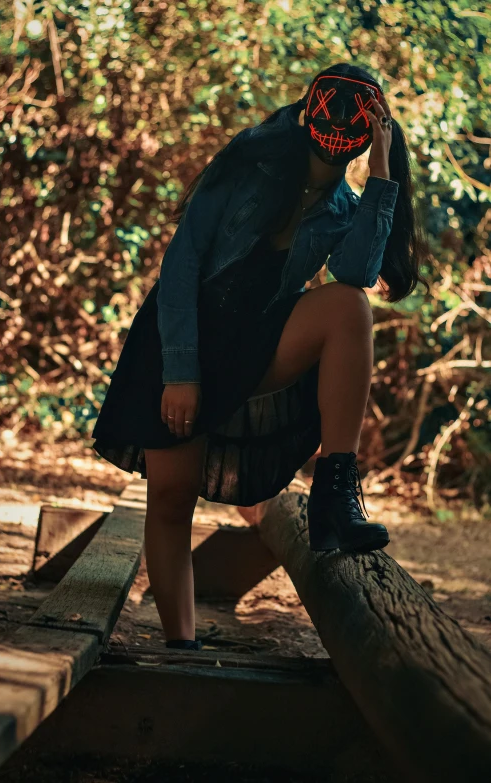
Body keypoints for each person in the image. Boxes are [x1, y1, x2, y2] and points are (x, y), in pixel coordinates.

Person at [91, 62, 431, 651]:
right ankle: (182, 647)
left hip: (260, 341)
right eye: (332, 108)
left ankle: (335, 494)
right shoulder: (249, 162)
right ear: (309, 108)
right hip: (182, 336)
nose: (341, 122)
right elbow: (182, 264)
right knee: (172, 497)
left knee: (350, 306)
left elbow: (356, 274)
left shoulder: (348, 206)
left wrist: (380, 171)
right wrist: (180, 371)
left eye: (360, 116)